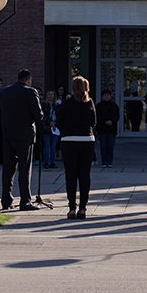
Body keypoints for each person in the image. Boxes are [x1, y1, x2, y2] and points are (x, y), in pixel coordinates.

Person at [0, 69, 44, 211]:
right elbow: (39, 115)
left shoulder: (5, 92)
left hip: (8, 134)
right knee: (24, 169)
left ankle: (6, 200)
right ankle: (25, 200)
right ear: (28, 79)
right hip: (25, 135)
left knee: (8, 168)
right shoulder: (30, 92)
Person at [58, 75, 97, 219]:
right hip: (86, 139)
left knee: (71, 175)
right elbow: (93, 123)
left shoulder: (66, 102)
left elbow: (60, 121)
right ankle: (83, 208)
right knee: (84, 175)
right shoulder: (90, 102)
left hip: (69, 140)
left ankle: (71, 208)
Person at [96, 90, 119, 168]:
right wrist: (105, 121)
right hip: (102, 129)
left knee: (110, 145)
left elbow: (117, 116)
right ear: (102, 96)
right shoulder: (98, 106)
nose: (106, 96)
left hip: (112, 129)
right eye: (105, 95)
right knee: (103, 145)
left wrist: (111, 121)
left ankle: (109, 161)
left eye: (108, 95)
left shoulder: (114, 105)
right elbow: (97, 117)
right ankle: (104, 161)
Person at [41, 90, 57, 168]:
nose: (50, 96)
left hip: (55, 127)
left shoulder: (56, 105)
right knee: (47, 145)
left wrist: (55, 123)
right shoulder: (43, 105)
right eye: (49, 94)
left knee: (53, 145)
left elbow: (59, 115)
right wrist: (49, 122)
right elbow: (42, 116)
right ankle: (46, 162)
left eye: (52, 94)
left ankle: (52, 162)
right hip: (47, 127)